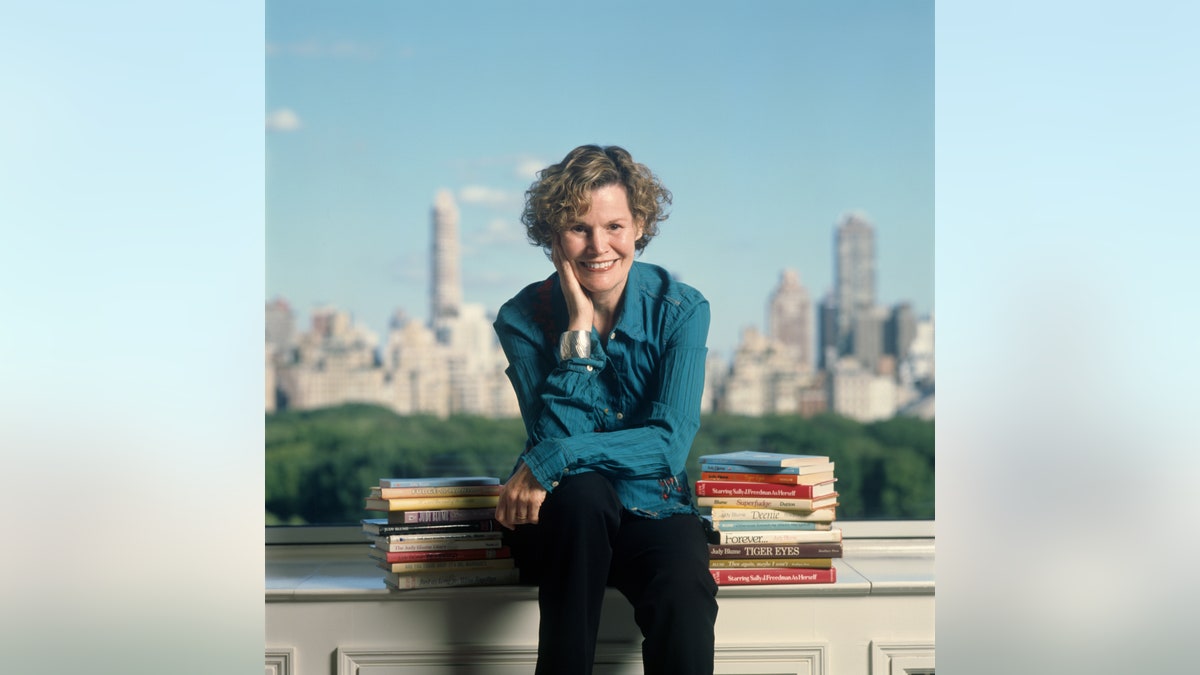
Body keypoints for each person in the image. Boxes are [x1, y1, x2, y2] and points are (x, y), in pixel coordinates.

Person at [492, 144, 718, 675]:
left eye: (614, 226)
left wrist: (555, 458)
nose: (599, 246)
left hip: (654, 507)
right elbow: (550, 432)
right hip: (565, 518)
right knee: (584, 495)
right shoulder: (521, 317)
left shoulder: (681, 309)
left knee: (685, 588)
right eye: (578, 229)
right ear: (553, 237)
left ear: (639, 225)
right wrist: (578, 330)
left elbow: (668, 444)